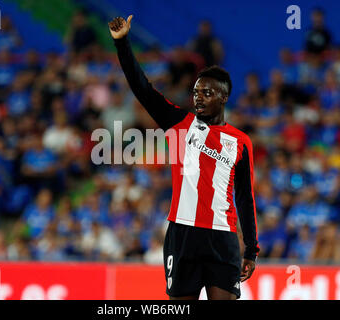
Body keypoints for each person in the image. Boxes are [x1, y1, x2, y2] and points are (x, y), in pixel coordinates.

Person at [108, 15, 259, 300]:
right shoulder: (179, 123)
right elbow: (142, 88)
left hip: (222, 238)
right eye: (196, 92)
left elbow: (245, 197)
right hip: (183, 235)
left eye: (207, 92)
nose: (198, 97)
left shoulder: (240, 142)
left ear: (224, 97)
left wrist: (250, 248)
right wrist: (122, 43)